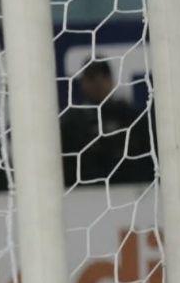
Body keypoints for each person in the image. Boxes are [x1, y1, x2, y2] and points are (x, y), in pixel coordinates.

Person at [59, 59, 155, 187]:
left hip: (129, 190)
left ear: (112, 80)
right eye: (92, 77)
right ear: (83, 83)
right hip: (83, 194)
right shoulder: (71, 122)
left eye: (104, 76)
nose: (98, 83)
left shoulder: (130, 117)